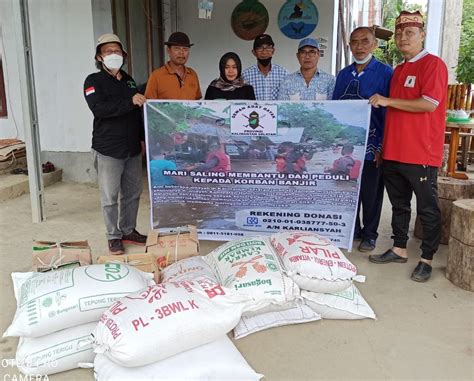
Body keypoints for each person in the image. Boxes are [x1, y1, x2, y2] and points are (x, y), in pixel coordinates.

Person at [368, 11, 448, 282]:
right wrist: (383, 146)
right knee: (399, 204)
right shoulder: (399, 69)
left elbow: (429, 103)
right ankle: (399, 248)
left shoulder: (433, 65)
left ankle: (426, 258)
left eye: (410, 33)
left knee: (427, 207)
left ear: (422, 35)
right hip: (394, 150)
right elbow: (393, 114)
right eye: (400, 33)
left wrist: (388, 101)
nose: (403, 37)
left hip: (421, 152)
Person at [83, 33, 147, 255]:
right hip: (108, 149)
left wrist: (142, 139)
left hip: (131, 148)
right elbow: (99, 109)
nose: (113, 55)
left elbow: (136, 113)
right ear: (100, 57)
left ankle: (128, 230)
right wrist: (129, 101)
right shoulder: (93, 81)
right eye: (108, 51)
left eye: (117, 51)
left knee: (132, 193)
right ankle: (113, 236)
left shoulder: (129, 80)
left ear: (124, 55)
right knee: (110, 197)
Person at [332, 26, 393, 252]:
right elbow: (337, 108)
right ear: (349, 46)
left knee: (371, 191)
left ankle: (370, 233)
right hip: (349, 143)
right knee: (349, 187)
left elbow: (390, 112)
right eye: (354, 42)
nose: (359, 46)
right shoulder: (344, 74)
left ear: (374, 44)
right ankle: (353, 229)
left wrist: (383, 145)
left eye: (364, 41)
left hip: (373, 143)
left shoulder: (386, 73)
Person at [145, 32, 201, 100]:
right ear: (168, 50)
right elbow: (149, 106)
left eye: (185, 49)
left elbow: (197, 102)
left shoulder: (193, 74)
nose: (181, 53)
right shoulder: (156, 76)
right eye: (177, 48)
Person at [242, 34, 289, 101]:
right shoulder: (245, 75)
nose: (264, 52)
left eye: (268, 47)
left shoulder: (284, 74)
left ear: (273, 51)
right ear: (254, 52)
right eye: (260, 48)